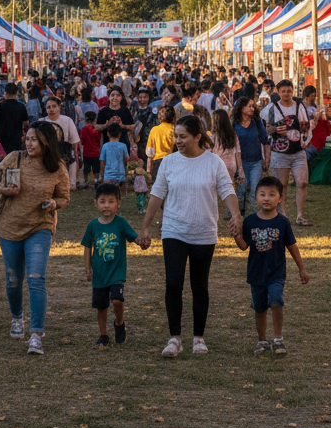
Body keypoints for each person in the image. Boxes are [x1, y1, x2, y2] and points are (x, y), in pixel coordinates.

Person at [136, 114, 241, 358]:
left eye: (183, 137)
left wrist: (236, 215)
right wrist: (145, 227)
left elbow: (227, 190)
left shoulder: (213, 162)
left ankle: (198, 338)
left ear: (197, 137)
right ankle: (175, 338)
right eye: (176, 136)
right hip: (174, 230)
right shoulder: (169, 162)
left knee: (199, 286)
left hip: (204, 232)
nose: (178, 141)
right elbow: (157, 194)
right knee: (173, 283)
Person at [0, 122, 71, 355]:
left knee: (36, 278)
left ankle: (36, 334)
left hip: (40, 227)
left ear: (46, 141)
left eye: (34, 139)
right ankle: (17, 317)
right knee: (13, 280)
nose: (29, 143)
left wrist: (54, 204)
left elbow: (64, 198)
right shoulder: (15, 158)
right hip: (10, 227)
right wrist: (1, 190)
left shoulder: (57, 167)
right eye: (28, 139)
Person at [234, 175, 309, 356]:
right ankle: (262, 341)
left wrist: (302, 268)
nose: (266, 198)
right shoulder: (250, 221)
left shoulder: (283, 222)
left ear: (280, 198)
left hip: (276, 273)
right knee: (259, 308)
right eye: (262, 194)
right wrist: (236, 235)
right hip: (256, 274)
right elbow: (244, 246)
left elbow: (292, 246)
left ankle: (278, 339)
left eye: (272, 195)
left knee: (276, 300)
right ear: (256, 197)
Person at [82, 182, 140, 348]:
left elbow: (134, 237)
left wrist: (142, 241)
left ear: (118, 203)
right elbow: (87, 246)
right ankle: (103, 335)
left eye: (111, 201)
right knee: (101, 306)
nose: (106, 205)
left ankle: (119, 323)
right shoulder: (93, 225)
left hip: (116, 272)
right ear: (96, 203)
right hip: (99, 274)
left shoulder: (121, 223)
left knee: (116, 300)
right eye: (102, 201)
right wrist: (88, 268)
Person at [264, 80, 312, 225]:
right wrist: (274, 130)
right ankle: (282, 215)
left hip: (297, 151)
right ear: (278, 92)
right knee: (282, 185)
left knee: (302, 182)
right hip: (280, 152)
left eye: (288, 91)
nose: (286, 94)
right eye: (283, 91)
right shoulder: (272, 108)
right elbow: (265, 127)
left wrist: (303, 135)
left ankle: (300, 216)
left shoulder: (299, 106)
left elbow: (306, 125)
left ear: (292, 91)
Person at [231, 95, 271, 213]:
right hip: (240, 162)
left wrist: (267, 160)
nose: (252, 109)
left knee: (254, 188)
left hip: (256, 162)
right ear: (242, 108)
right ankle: (239, 211)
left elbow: (265, 141)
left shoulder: (257, 122)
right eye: (249, 106)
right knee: (241, 189)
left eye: (253, 106)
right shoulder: (234, 124)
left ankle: (251, 212)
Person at [45, 97, 82, 190]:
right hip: (49, 154)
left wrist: (78, 160)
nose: (51, 109)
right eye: (48, 107)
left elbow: (75, 142)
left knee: (72, 159)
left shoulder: (67, 120)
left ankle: (72, 183)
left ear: (59, 107)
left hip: (65, 152)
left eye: (54, 106)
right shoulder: (42, 122)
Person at [0, 83, 29, 156]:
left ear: (5, 93)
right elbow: (26, 124)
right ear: (17, 93)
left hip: (2, 139)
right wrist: (25, 135)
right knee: (15, 160)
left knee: (3, 161)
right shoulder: (22, 107)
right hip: (17, 139)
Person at [95, 88, 136, 152]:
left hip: (123, 145)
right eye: (112, 95)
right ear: (108, 97)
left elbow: (132, 126)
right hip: (107, 146)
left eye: (117, 95)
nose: (115, 98)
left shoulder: (125, 110)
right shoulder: (103, 111)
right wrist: (106, 125)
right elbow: (97, 127)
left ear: (121, 97)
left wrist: (122, 126)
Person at [145, 104, 175, 178]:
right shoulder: (175, 129)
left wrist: (148, 172)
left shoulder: (154, 130)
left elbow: (150, 153)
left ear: (159, 117)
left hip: (158, 163)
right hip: (173, 162)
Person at [99, 124, 128, 191]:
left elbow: (102, 162)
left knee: (109, 195)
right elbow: (126, 160)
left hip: (108, 176)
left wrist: (102, 174)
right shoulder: (123, 146)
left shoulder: (105, 146)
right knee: (119, 196)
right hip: (121, 176)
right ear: (120, 134)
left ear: (108, 134)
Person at [79, 112, 101, 187]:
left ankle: (87, 182)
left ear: (85, 119)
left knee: (86, 169)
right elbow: (99, 141)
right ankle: (96, 181)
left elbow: (82, 141)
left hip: (86, 153)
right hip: (96, 152)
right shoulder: (97, 130)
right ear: (95, 120)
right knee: (96, 169)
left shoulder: (83, 129)